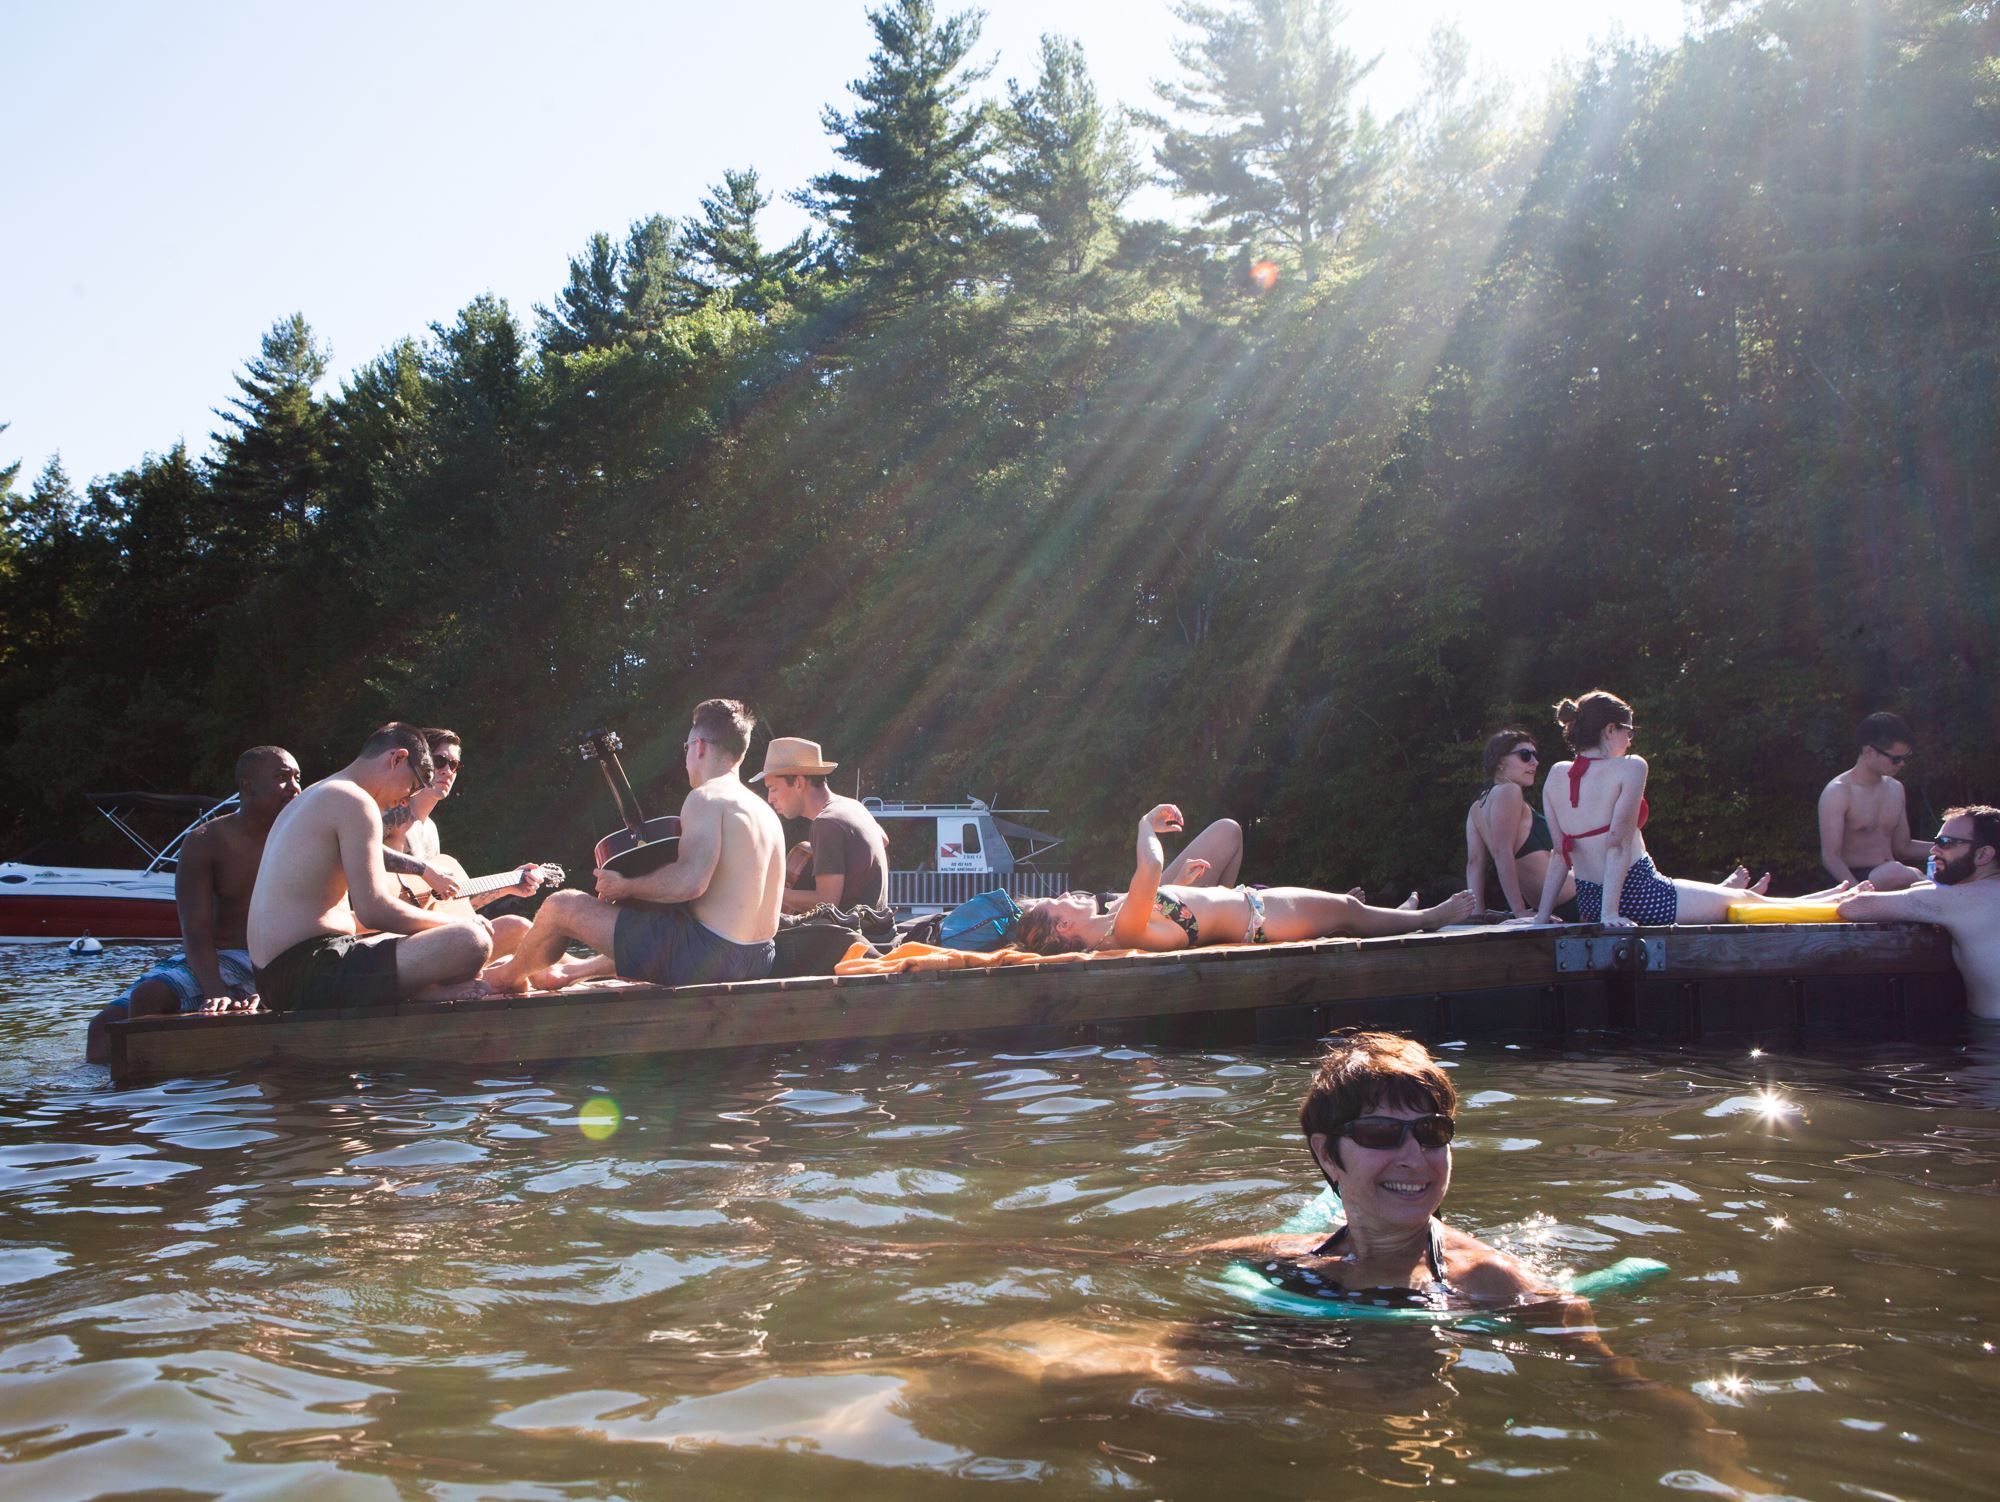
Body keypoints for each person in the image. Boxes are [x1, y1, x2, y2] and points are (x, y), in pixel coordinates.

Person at [482, 699, 784, 993]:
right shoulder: (763, 811)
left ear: (700, 746)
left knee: (561, 906)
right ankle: (570, 971)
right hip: (760, 958)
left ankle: (504, 978)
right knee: (661, 923)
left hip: (707, 959)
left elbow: (690, 883)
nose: (686, 757)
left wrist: (625, 887)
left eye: (686, 748)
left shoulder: (706, 797)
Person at [247, 723, 493, 1010]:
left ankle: (420, 988)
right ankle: (420, 989)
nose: (405, 800)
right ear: (397, 758)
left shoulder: (316, 794)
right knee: (471, 940)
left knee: (432, 938)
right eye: (411, 786)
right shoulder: (355, 800)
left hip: (278, 975)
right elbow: (374, 909)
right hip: (310, 973)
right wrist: (460, 923)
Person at [1015, 804, 1475, 953]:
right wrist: (1143, 825)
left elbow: (1160, 892)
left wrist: (1184, 885)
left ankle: (1395, 916)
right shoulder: (1122, 929)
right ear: (1063, 928)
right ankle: (1428, 918)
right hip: (1259, 916)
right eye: (1056, 904)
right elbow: (1149, 870)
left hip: (1248, 905)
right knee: (1349, 913)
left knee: (1345, 912)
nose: (1063, 895)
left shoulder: (1121, 918)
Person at [85, 745, 302, 1062]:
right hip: (215, 956)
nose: (295, 788)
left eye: (298, 777)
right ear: (247, 786)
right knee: (100, 1028)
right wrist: (214, 990)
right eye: (282, 778)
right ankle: (103, 1100)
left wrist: (273, 986)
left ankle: (148, 1095)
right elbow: (195, 929)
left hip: (264, 957)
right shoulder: (205, 840)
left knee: (149, 998)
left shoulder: (302, 837)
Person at [1534, 691, 1795, 928]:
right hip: (1643, 896)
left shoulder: (1556, 774)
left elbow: (1560, 853)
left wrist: (1542, 917)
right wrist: (1610, 915)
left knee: (1735, 896)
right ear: (1610, 730)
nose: (1630, 741)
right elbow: (1617, 844)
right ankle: (1833, 899)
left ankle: (1721, 892)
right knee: (1747, 899)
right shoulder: (1631, 767)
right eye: (1629, 732)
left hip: (1589, 903)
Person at [377, 726, 550, 959]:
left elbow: (443, 904)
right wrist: (424, 869)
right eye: (439, 761)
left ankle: (586, 970)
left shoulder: (430, 831)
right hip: (389, 943)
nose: (447, 771)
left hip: (432, 938)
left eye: (454, 765)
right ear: (421, 761)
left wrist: (509, 886)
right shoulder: (390, 815)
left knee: (518, 928)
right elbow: (357, 850)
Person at [1838, 805, 2000, 1020]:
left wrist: (1858, 890)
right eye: (1935, 842)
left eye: (1946, 843)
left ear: (1983, 854)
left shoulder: (1958, 899)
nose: (1934, 851)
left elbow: (1853, 907)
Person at [752, 736, 890, 913]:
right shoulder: (853, 806)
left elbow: (827, 901)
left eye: (773, 789)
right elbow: (883, 840)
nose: (770, 799)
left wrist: (771, 890)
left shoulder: (826, 823)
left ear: (799, 783)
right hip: (877, 927)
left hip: (846, 936)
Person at [1464, 727, 1575, 919]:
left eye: (1534, 755)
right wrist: (1519, 911)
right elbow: (1502, 852)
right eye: (1525, 755)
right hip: (1573, 901)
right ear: (1500, 761)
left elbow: (1475, 863)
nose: (1535, 762)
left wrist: (1477, 912)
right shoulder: (1510, 791)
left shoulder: (1476, 808)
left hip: (1554, 906)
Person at [1817, 712, 1930, 890]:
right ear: (1869, 751)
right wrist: (1857, 891)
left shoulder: (1895, 788)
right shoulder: (1838, 792)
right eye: (1896, 759)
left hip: (1893, 874)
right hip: (1855, 879)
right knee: (1899, 873)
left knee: (1923, 873)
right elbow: (1831, 857)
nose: (1901, 764)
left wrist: (1953, 849)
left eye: (1905, 758)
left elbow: (1903, 847)